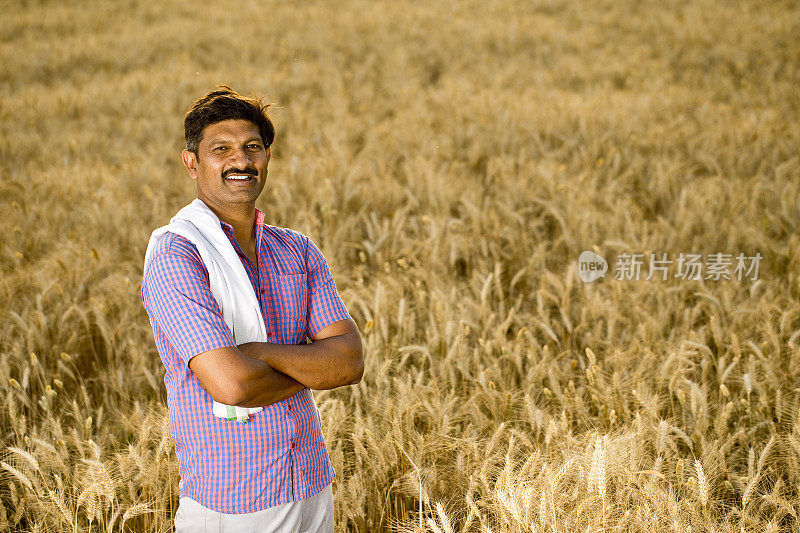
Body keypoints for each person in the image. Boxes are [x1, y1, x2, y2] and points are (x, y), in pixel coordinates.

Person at [140, 85, 363, 532]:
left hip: (312, 485)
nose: (240, 161)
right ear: (192, 163)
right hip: (237, 501)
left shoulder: (296, 249)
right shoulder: (178, 254)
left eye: (252, 148)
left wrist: (258, 353)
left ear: (267, 160)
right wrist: (307, 366)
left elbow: (349, 362)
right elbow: (232, 384)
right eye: (221, 149)